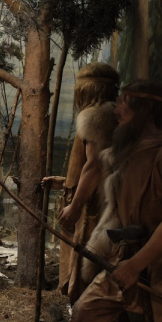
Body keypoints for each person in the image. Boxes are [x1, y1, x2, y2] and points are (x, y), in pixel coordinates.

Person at [70, 80, 162, 322]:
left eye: (124, 102)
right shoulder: (126, 154)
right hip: (128, 258)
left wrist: (136, 265)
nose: (117, 109)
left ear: (146, 110)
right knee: (86, 317)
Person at [43, 62, 119, 304]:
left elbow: (95, 166)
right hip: (99, 202)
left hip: (93, 208)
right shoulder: (113, 115)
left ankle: (84, 317)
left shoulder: (95, 117)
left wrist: (75, 206)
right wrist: (65, 182)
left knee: (86, 269)